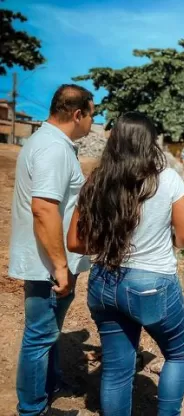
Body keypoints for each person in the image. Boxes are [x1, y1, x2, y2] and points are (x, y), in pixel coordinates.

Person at [67, 112, 184, 416]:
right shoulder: (166, 179)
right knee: (179, 353)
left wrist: (110, 242)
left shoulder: (96, 180)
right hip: (151, 285)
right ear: (150, 143)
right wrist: (168, 243)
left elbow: (75, 242)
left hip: (103, 283)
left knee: (116, 368)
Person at [8, 84, 94, 416]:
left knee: (48, 331)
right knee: (40, 335)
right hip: (47, 263)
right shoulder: (53, 150)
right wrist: (59, 265)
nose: (92, 120)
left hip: (52, 260)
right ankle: (32, 409)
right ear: (78, 114)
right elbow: (43, 208)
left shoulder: (55, 145)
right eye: (92, 113)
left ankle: (51, 385)